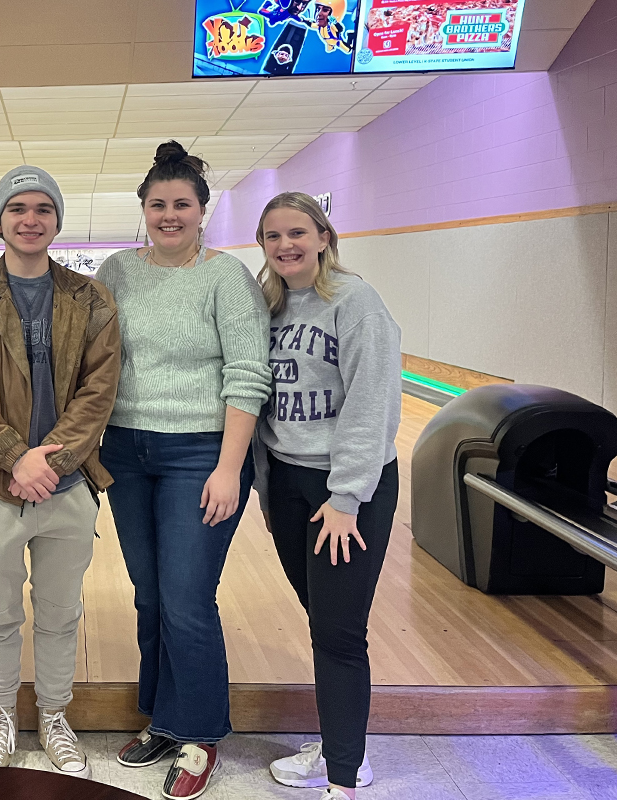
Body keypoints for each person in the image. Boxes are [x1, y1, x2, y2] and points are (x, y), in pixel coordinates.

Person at [95, 141, 272, 800]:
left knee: (188, 599)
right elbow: (91, 356)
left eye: (181, 205)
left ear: (202, 211)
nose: (169, 215)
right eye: (158, 205)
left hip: (202, 453)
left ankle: (199, 734)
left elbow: (247, 373)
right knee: (150, 595)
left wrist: (230, 468)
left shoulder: (227, 278)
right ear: (143, 210)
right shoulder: (116, 271)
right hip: (126, 452)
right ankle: (163, 718)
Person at [0, 166, 121, 779]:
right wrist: (16, 457)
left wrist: (53, 458)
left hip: (69, 485)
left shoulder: (90, 299)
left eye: (43, 208)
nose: (30, 218)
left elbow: (100, 390)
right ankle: (0, 717)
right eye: (18, 208)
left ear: (57, 222)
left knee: (62, 611)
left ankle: (55, 715)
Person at [253, 191, 401, 800]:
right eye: (273, 237)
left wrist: (345, 497)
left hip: (344, 491)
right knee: (325, 622)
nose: (286, 245)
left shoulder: (356, 302)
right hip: (287, 484)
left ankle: (344, 779)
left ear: (322, 237)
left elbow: (372, 403)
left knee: (340, 633)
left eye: (297, 233)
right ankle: (344, 744)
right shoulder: (267, 307)